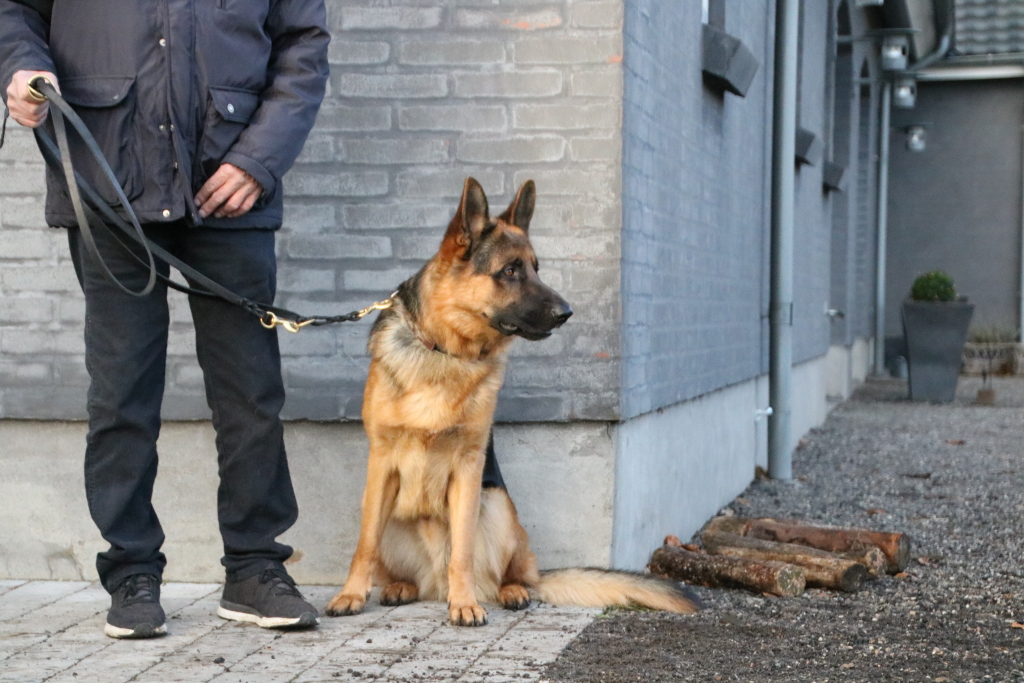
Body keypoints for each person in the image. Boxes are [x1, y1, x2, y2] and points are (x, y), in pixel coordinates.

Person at [0, 0, 330, 639]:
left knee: (250, 391)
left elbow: (303, 44)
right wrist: (21, 66)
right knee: (121, 391)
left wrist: (258, 160)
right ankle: (130, 572)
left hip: (232, 187)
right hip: (107, 180)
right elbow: (15, 11)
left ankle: (255, 568)